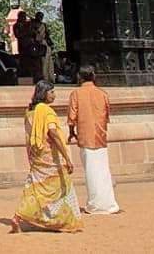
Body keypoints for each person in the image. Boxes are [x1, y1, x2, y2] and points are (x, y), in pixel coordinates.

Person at [10, 80, 82, 234]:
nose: (54, 95)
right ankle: (63, 222)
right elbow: (53, 134)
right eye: (52, 92)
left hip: (36, 155)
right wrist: (66, 157)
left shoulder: (30, 111)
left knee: (35, 186)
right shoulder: (47, 111)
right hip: (49, 156)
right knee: (61, 186)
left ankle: (18, 216)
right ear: (44, 94)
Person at [68, 66, 120, 214]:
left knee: (91, 171)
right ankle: (108, 203)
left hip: (85, 136)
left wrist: (72, 133)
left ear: (80, 77)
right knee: (103, 170)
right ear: (94, 76)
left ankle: (95, 204)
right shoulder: (102, 93)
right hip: (100, 136)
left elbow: (72, 117)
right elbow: (107, 115)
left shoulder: (76, 94)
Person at [34, 12, 55, 82]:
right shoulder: (32, 25)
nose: (40, 18)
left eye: (41, 16)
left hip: (45, 44)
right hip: (37, 45)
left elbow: (47, 35)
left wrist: (51, 44)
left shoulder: (43, 25)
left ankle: (51, 78)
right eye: (39, 16)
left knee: (49, 62)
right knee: (42, 63)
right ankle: (45, 78)